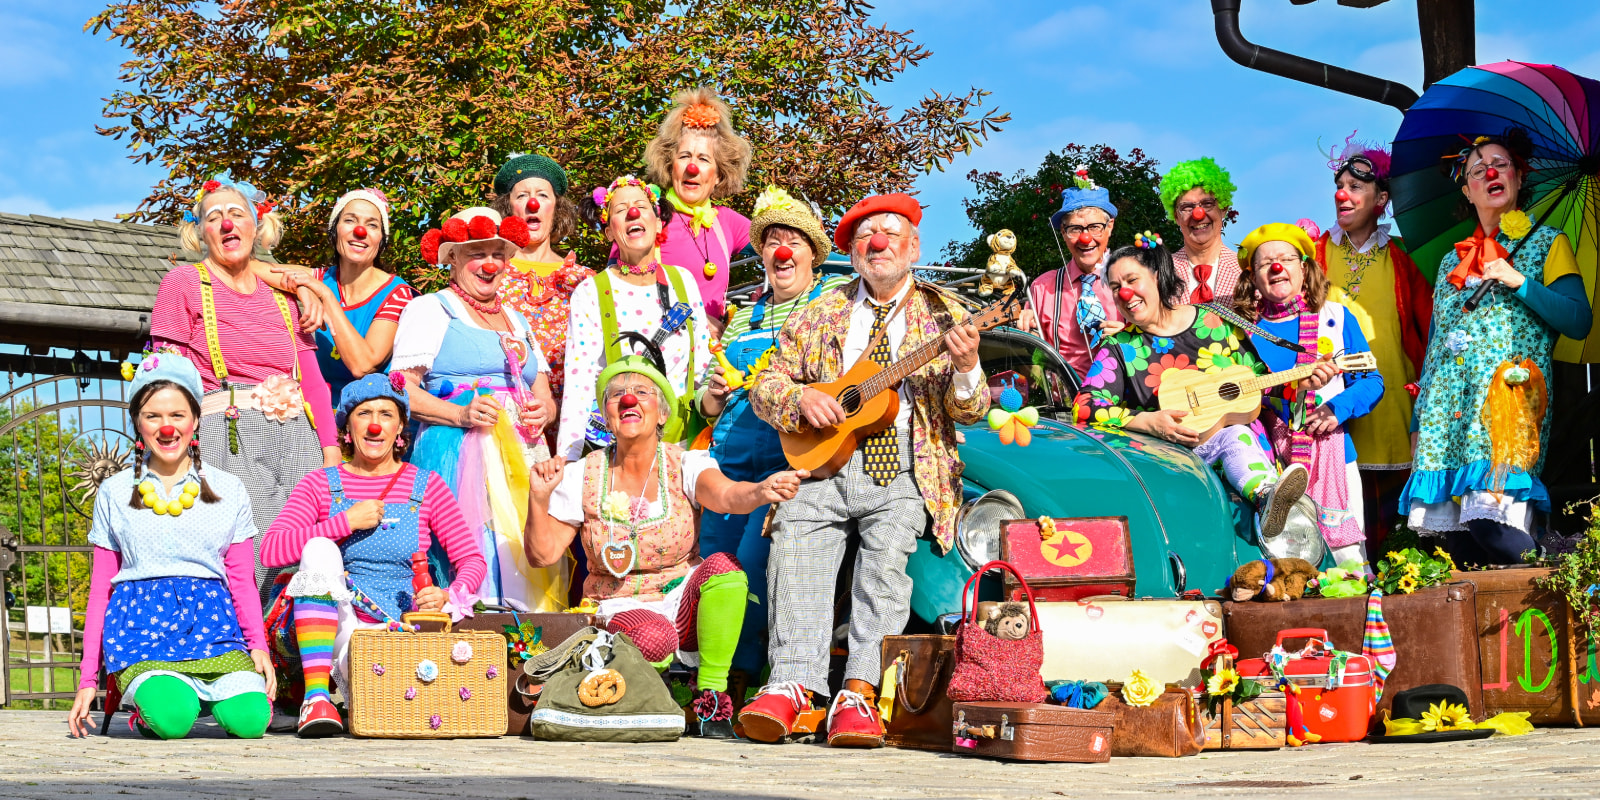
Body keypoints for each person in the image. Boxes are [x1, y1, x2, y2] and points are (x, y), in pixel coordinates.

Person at [741, 194, 989, 748]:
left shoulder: (947, 313)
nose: (878, 244)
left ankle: (858, 692)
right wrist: (800, 399)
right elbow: (766, 383)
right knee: (794, 544)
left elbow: (971, 410)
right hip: (822, 462)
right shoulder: (821, 308)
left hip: (905, 466)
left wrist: (968, 366)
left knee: (885, 569)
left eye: (891, 234)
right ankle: (791, 685)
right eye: (865, 237)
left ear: (914, 247)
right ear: (853, 253)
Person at [525, 355, 804, 738]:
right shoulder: (582, 474)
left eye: (642, 392)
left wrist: (759, 491)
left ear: (662, 414)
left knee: (725, 569)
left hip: (680, 600)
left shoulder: (686, 463)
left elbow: (726, 495)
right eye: (616, 395)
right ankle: (651, 700)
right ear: (606, 416)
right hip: (618, 605)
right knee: (653, 637)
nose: (628, 399)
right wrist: (538, 498)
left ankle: (712, 699)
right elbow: (542, 555)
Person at [1401, 130, 1593, 565]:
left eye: (1501, 164)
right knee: (1459, 546)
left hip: (1505, 407)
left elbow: (1578, 320)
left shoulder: (1548, 242)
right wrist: (1418, 421)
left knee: (1493, 524)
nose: (1490, 172)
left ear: (1519, 178)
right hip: (1445, 415)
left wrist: (1517, 280)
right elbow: (1436, 347)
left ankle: (1559, 568)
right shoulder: (1450, 263)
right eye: (1477, 169)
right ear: (1467, 191)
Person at [261, 372, 486, 736]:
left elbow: (472, 560)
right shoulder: (319, 484)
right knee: (318, 548)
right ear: (347, 427)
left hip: (401, 628)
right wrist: (343, 522)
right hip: (339, 628)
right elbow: (271, 550)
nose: (375, 425)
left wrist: (448, 595)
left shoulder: (427, 485)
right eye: (364, 414)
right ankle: (316, 699)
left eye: (386, 414)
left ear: (400, 429)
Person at [151, 175, 340, 597]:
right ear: (200, 232)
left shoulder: (284, 295)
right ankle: (249, 635)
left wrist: (330, 451)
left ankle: (300, 637)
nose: (226, 223)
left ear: (257, 226)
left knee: (309, 549)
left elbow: (312, 379)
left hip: (299, 435)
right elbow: (166, 375)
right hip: (228, 431)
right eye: (213, 217)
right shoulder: (184, 283)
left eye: (237, 214)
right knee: (249, 552)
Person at [68, 352, 273, 740]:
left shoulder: (229, 489)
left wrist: (257, 646)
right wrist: (87, 678)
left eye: (177, 415)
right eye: (153, 416)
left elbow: (242, 581)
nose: (167, 427)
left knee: (250, 721)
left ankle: (205, 697)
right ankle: (151, 709)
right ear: (137, 423)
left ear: (195, 419)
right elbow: (99, 591)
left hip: (212, 629)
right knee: (172, 718)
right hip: (140, 632)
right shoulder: (113, 492)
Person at [696, 186, 849, 685]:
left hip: (786, 462)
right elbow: (705, 404)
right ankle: (710, 684)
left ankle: (744, 677)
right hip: (728, 461)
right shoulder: (743, 315)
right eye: (773, 242)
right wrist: (712, 394)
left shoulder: (830, 307)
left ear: (812, 254)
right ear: (761, 253)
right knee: (714, 567)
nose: (782, 252)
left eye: (794, 242)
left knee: (754, 570)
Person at [1076, 235, 1321, 541]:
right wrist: (1147, 421)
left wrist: (1299, 386)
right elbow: (1085, 406)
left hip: (1245, 456)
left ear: (1157, 276)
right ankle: (1267, 498)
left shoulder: (1214, 321)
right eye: (1115, 287)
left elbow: (1261, 384)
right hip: (1171, 468)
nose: (1124, 293)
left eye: (1132, 280)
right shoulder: (1119, 347)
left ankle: (1267, 497)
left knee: (1235, 434)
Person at [390, 207, 562, 610]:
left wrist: (545, 411)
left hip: (523, 456)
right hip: (459, 453)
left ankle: (525, 640)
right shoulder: (431, 309)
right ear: (452, 259)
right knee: (475, 547)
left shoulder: (517, 319)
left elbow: (543, 393)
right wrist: (460, 414)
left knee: (524, 547)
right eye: (476, 254)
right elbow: (399, 389)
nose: (490, 264)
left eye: (498, 254)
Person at [1236, 223, 1384, 566]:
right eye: (1265, 263)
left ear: (1304, 268)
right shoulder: (1240, 332)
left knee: (1347, 563)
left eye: (1286, 259)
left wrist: (1337, 408)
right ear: (1253, 277)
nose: (1277, 268)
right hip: (1265, 462)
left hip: (1333, 455)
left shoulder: (1336, 317)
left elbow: (1372, 382)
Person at [1312, 136, 1433, 543]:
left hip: (1396, 405)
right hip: (1333, 407)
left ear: (1381, 199)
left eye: (1355, 187)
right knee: (1341, 524)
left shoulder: (1404, 256)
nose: (1341, 194)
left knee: (1398, 533)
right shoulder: (1313, 253)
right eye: (1339, 186)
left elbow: (1430, 329)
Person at [560, 176, 713, 462]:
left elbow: (703, 362)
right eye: (620, 209)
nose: (632, 212)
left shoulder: (684, 281)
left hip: (684, 445)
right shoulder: (590, 292)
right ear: (609, 231)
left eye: (642, 206)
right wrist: (568, 458)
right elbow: (580, 381)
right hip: (623, 452)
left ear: (658, 223)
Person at [276, 189, 415, 403]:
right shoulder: (318, 278)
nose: (360, 231)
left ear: (381, 239)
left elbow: (363, 365)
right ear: (335, 230)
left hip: (373, 413)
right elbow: (253, 267)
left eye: (372, 225)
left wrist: (325, 294)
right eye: (350, 220)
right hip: (322, 410)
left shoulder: (397, 293)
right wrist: (302, 287)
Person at [643, 86, 754, 338]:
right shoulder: (647, 217)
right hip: (662, 348)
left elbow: (780, 243)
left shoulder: (726, 221)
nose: (692, 167)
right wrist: (697, 320)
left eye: (704, 159)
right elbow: (620, 287)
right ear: (670, 167)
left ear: (719, 175)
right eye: (684, 156)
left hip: (710, 355)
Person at [492, 154, 595, 424]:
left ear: (556, 208)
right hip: (505, 420)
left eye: (542, 195)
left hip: (572, 425)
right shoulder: (489, 275)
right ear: (508, 208)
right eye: (522, 195)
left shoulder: (584, 281)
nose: (532, 203)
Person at [1016, 171, 1124, 375]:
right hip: (1066, 393)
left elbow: (1160, 341)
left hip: (1125, 390)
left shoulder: (1134, 279)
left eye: (1095, 227)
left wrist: (1131, 340)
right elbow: (1029, 371)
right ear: (1063, 233)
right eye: (1075, 229)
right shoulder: (1042, 288)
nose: (1085, 238)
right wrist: (1026, 340)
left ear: (1110, 227)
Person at [1160, 158, 1241, 305]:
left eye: (1207, 204)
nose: (1198, 214)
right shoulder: (1158, 274)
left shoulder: (1246, 271)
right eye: (1187, 207)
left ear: (1223, 208)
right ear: (1176, 216)